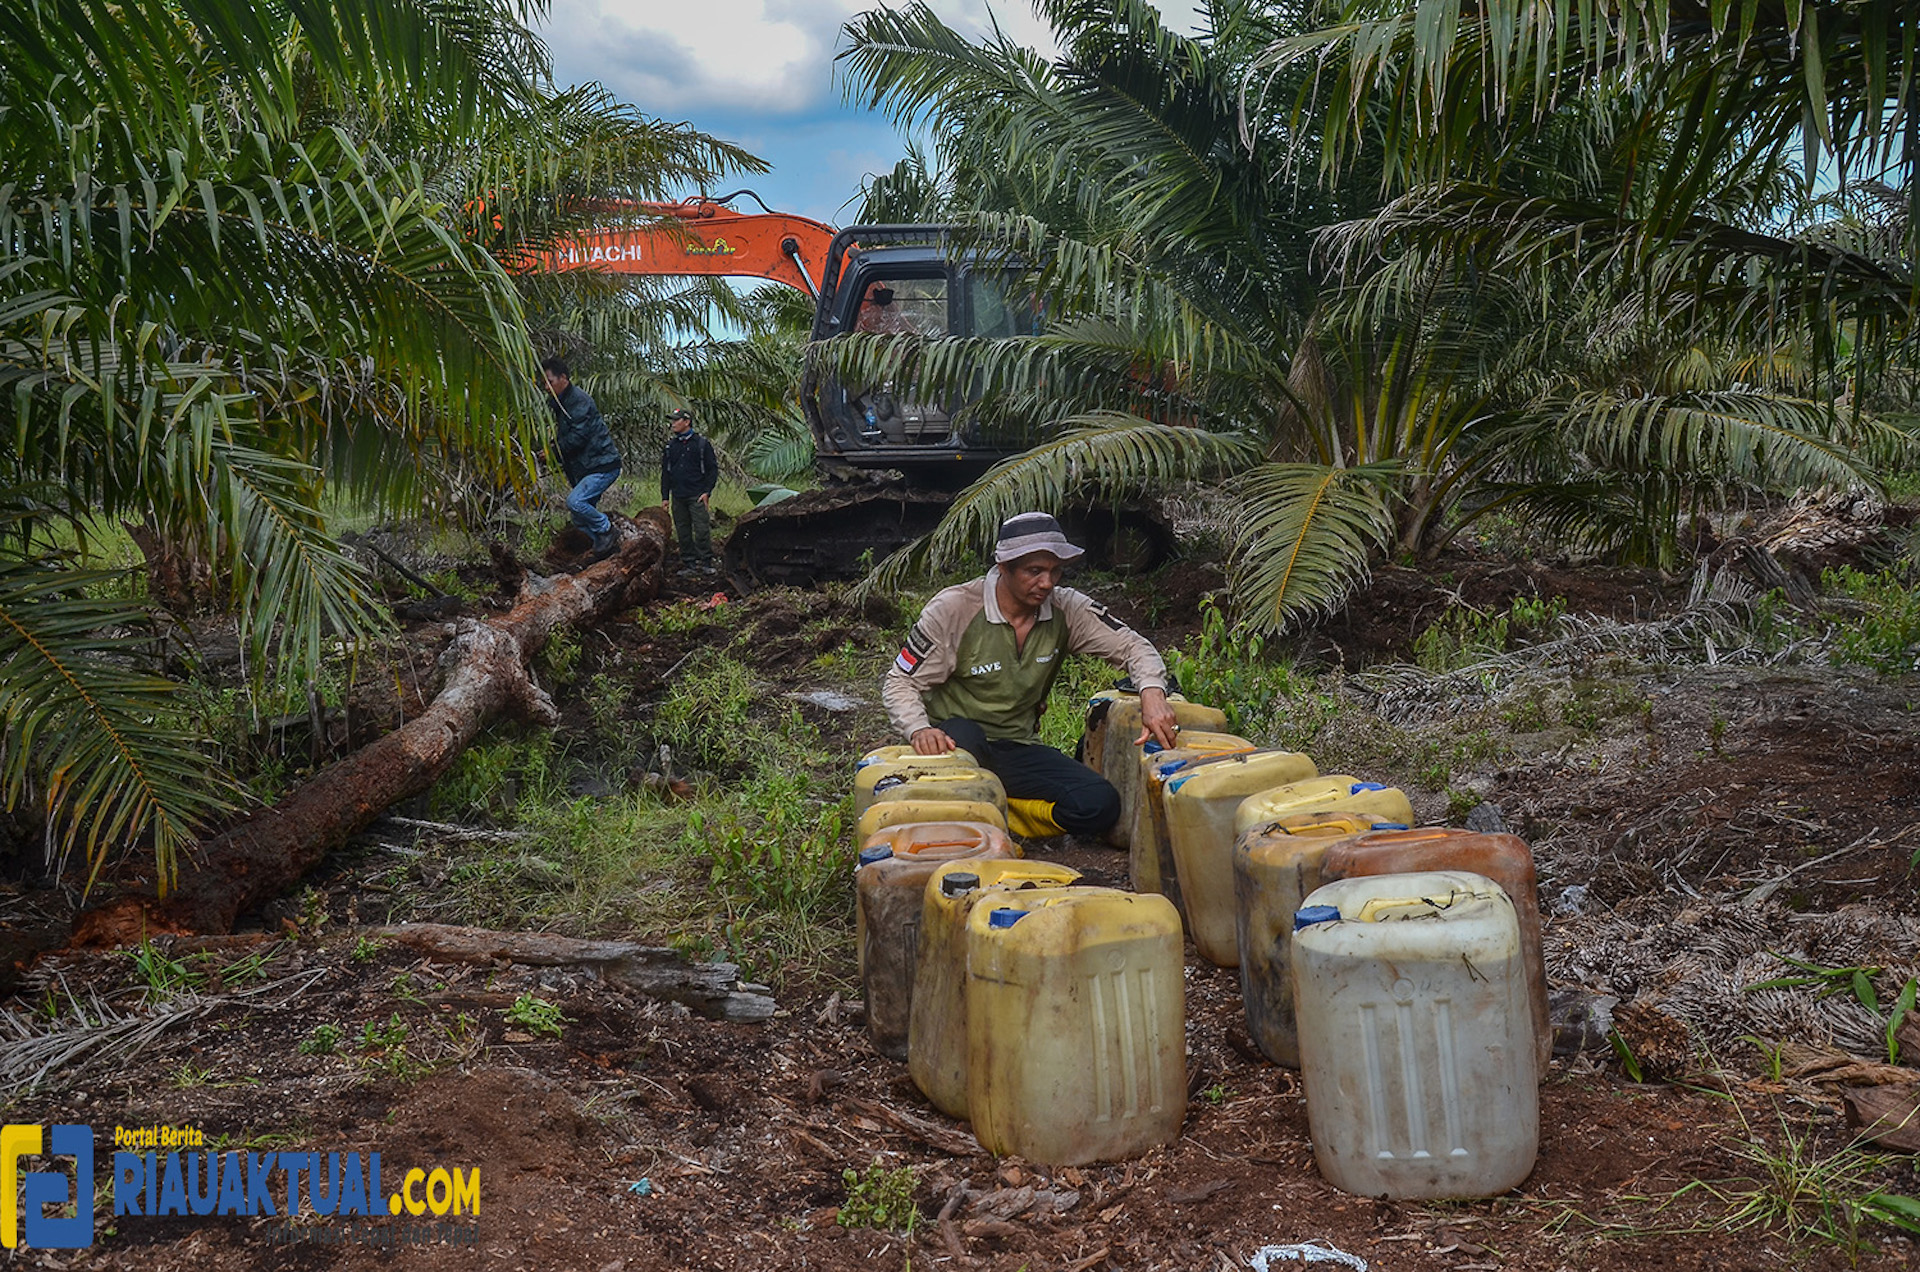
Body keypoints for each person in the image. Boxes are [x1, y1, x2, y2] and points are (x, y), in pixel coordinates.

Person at [882, 511, 1179, 840]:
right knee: (966, 735)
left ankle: (1006, 816)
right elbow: (900, 681)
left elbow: (1134, 646)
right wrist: (919, 729)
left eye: (1055, 571)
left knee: (1100, 804)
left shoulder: (1067, 608)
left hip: (1016, 745)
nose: (1047, 583)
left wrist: (1152, 692)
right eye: (1034, 571)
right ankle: (974, 811)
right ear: (1003, 568)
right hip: (954, 745)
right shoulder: (955, 609)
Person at [541, 356, 622, 561]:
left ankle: (607, 530)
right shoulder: (560, 404)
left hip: (602, 466)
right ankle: (605, 549)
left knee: (575, 502)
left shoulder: (578, 400)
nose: (546, 387)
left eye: (549, 382)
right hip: (587, 468)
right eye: (544, 382)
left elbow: (578, 437)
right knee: (579, 518)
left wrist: (554, 452)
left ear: (564, 378)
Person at [659, 407, 718, 571]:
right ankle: (689, 562)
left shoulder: (701, 444)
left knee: (701, 530)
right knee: (683, 531)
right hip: (678, 495)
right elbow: (666, 472)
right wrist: (665, 496)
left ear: (687, 422)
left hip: (697, 494)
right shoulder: (671, 446)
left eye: (676, 420)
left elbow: (712, 469)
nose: (673, 424)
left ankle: (706, 561)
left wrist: (707, 492)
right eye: (672, 420)